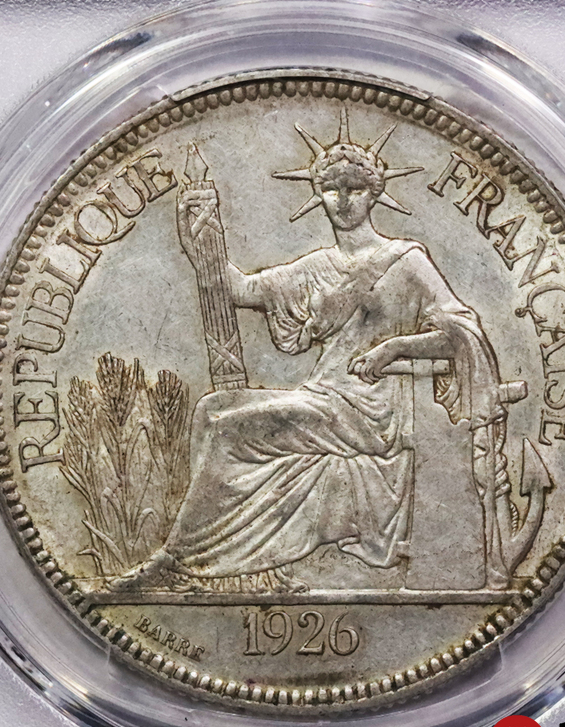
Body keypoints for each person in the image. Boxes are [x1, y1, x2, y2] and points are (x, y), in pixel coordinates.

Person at [113, 110, 509, 593]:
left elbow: (461, 333)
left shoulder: (407, 261)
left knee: (230, 428)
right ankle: (239, 564)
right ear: (318, 194)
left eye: (355, 188)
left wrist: (392, 349)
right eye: (331, 189)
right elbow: (239, 290)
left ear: (375, 193)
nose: (342, 200)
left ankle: (178, 563)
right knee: (211, 408)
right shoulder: (317, 266)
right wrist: (201, 242)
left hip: (371, 410)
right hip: (324, 396)